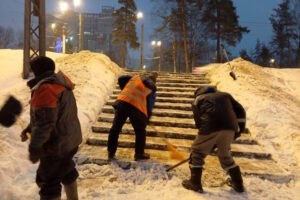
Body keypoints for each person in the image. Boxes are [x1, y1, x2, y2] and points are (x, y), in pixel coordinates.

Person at [21, 56, 82, 200]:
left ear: (38, 71)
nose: (31, 72)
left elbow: (45, 123)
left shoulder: (46, 89)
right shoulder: (59, 84)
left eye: (32, 69)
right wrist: (30, 128)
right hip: (70, 140)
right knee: (66, 170)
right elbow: (51, 115)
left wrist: (35, 147)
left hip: (56, 145)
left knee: (49, 181)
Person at [182, 86, 246, 193]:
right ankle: (238, 184)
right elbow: (241, 110)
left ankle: (195, 183)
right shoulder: (225, 95)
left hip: (210, 126)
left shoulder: (197, 100)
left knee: (197, 152)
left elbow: (199, 123)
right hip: (230, 127)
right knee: (225, 154)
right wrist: (240, 129)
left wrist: (209, 140)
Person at [107, 72, 157, 161]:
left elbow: (121, 78)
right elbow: (150, 103)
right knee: (140, 130)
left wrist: (125, 90)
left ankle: (111, 152)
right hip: (136, 107)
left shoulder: (135, 77)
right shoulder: (152, 86)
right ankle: (139, 154)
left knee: (115, 128)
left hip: (122, 102)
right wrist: (147, 117)